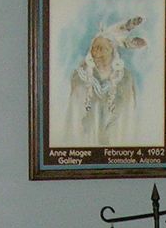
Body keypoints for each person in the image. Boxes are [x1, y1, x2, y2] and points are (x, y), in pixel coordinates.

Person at [62, 16, 148, 146]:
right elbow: (74, 114)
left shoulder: (125, 79)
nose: (97, 53)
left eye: (103, 49)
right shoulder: (80, 77)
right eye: (94, 48)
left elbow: (128, 116)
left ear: (113, 52)